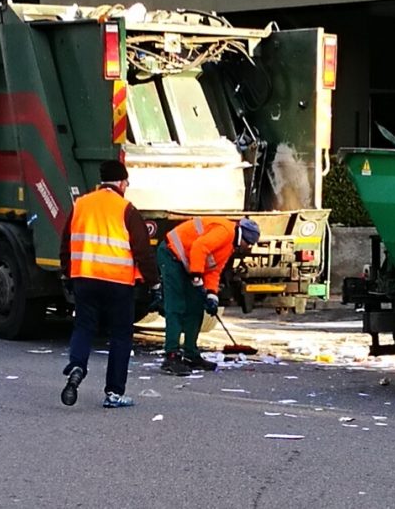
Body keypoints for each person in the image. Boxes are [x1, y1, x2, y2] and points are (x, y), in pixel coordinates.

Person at [59, 160, 158, 408]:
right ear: (122, 182)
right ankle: (114, 393)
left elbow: (65, 244)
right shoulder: (126, 209)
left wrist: (67, 273)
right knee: (120, 336)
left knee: (83, 327)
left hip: (85, 278)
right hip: (118, 283)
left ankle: (77, 366)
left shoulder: (80, 204)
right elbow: (142, 251)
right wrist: (153, 282)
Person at [157, 216, 261, 375]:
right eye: (249, 244)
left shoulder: (229, 247)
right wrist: (197, 275)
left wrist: (212, 295)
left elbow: (214, 270)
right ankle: (172, 355)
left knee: (196, 307)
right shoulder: (225, 231)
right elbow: (200, 246)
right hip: (172, 254)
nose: (248, 248)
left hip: (188, 263)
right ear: (243, 237)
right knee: (176, 306)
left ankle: (191, 353)